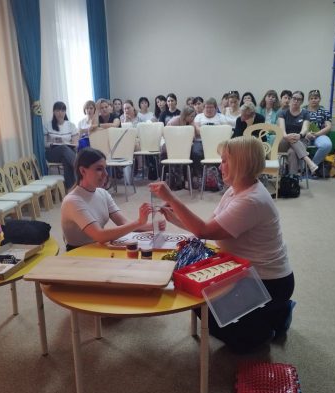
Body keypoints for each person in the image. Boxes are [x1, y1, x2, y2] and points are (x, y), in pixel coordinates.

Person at [149, 136, 295, 352]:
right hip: (245, 271)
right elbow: (208, 227)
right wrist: (175, 218)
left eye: (225, 160)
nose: (220, 166)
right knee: (201, 297)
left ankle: (270, 321)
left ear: (241, 163)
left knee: (205, 307)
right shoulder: (236, 190)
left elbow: (203, 231)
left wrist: (172, 198)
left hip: (268, 281)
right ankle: (270, 313)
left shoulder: (251, 200)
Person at [61, 148, 153, 250]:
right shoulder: (72, 201)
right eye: (99, 169)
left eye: (105, 168)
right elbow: (100, 236)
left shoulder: (102, 193)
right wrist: (139, 222)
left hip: (97, 248)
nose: (106, 174)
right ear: (83, 171)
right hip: (78, 253)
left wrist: (154, 225)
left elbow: (123, 222)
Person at [278, 91, 319, 175]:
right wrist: (287, 136)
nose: (296, 101)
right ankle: (308, 161)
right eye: (294, 98)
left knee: (292, 152)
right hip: (284, 142)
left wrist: (299, 135)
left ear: (302, 101)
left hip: (300, 141)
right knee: (292, 138)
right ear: (291, 99)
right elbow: (282, 130)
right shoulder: (282, 113)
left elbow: (305, 129)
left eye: (299, 99)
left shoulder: (305, 113)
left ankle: (293, 178)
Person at [43, 101, 79, 191]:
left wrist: (70, 144)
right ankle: (79, 166)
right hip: (52, 153)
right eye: (58, 110)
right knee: (63, 148)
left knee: (66, 159)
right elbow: (44, 144)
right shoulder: (47, 125)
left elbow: (75, 143)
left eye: (63, 110)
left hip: (67, 153)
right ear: (54, 112)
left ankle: (70, 189)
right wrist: (52, 143)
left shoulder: (71, 125)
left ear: (65, 112)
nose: (60, 113)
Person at [303, 89, 333, 167]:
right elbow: (298, 125)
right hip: (304, 135)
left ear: (319, 99)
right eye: (311, 98)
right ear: (308, 100)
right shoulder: (302, 111)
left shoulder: (324, 111)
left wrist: (316, 134)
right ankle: (301, 168)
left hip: (319, 135)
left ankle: (312, 166)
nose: (313, 100)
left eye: (316, 98)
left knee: (327, 145)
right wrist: (307, 133)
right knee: (296, 145)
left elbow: (328, 127)